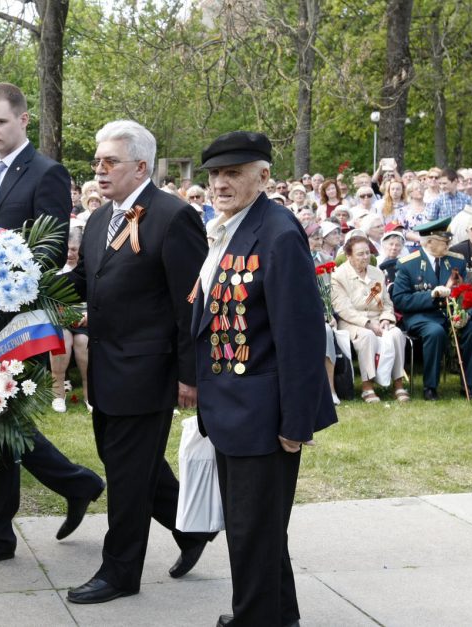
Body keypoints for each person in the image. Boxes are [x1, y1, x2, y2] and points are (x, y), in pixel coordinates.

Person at [0, 82, 104, 568]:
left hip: (22, 319)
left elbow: (50, 249)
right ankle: (77, 484)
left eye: (0, 122)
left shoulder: (47, 172)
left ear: (23, 120)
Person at [62, 119, 213, 605]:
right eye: (97, 162)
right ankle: (192, 529)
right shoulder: (100, 218)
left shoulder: (173, 217)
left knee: (127, 476)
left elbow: (190, 302)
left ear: (141, 166)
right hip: (105, 368)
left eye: (110, 162)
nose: (99, 172)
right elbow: (84, 279)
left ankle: (120, 571)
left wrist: (190, 376)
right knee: (131, 464)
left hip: (149, 371)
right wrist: (27, 290)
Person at [192, 131, 337, 626]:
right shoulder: (234, 226)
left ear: (263, 176)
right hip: (233, 409)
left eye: (233, 173)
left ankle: (255, 619)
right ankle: (280, 616)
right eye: (214, 174)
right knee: (257, 531)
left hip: (264, 416)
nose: (221, 183)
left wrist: (296, 424)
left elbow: (300, 337)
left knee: (252, 533)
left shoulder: (277, 232)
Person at [392, 217, 472, 400]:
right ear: (430, 242)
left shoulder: (456, 261)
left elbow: (467, 291)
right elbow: (401, 300)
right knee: (435, 332)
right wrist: (430, 296)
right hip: (422, 316)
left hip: (452, 314)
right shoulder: (408, 264)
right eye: (445, 241)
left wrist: (468, 314)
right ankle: (430, 387)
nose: (449, 244)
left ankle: (469, 384)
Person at [332, 235, 409, 402]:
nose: (365, 257)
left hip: (378, 318)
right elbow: (343, 309)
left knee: (396, 334)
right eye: (360, 254)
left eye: (367, 253)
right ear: (349, 256)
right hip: (352, 322)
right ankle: (367, 387)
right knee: (367, 336)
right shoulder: (338, 276)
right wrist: (367, 324)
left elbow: (387, 303)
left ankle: (398, 384)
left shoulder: (377, 272)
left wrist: (386, 319)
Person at [50, 226, 90, 413]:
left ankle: (90, 397)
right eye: (67, 248)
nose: (69, 254)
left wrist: (89, 316)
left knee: (83, 343)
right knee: (62, 343)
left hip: (86, 322)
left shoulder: (90, 269)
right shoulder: (55, 271)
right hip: (61, 321)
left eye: (74, 249)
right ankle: (58, 396)